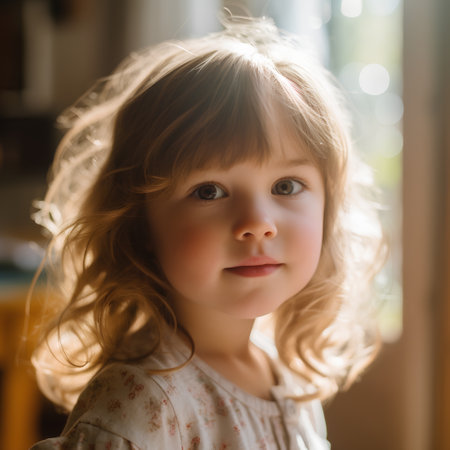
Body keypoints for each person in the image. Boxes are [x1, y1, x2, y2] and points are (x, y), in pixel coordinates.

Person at [29, 15, 386, 449]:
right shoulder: (145, 405)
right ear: (138, 224)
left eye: (286, 186)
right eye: (209, 191)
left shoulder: (286, 380)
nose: (257, 223)